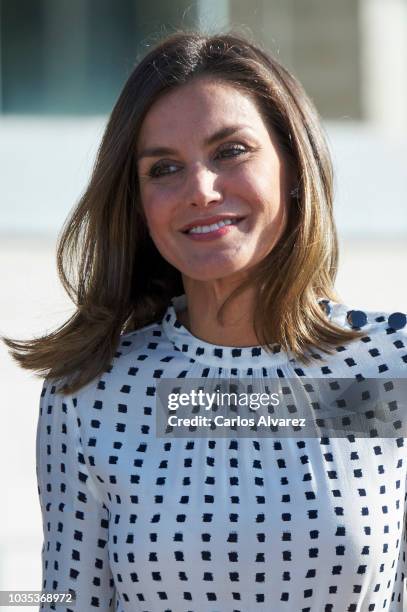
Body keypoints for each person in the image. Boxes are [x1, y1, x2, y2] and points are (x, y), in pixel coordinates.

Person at [3, 30, 407, 612]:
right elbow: (66, 601)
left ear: (294, 166)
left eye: (231, 151)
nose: (200, 190)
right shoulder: (90, 392)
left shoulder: (387, 369)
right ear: (139, 208)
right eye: (164, 168)